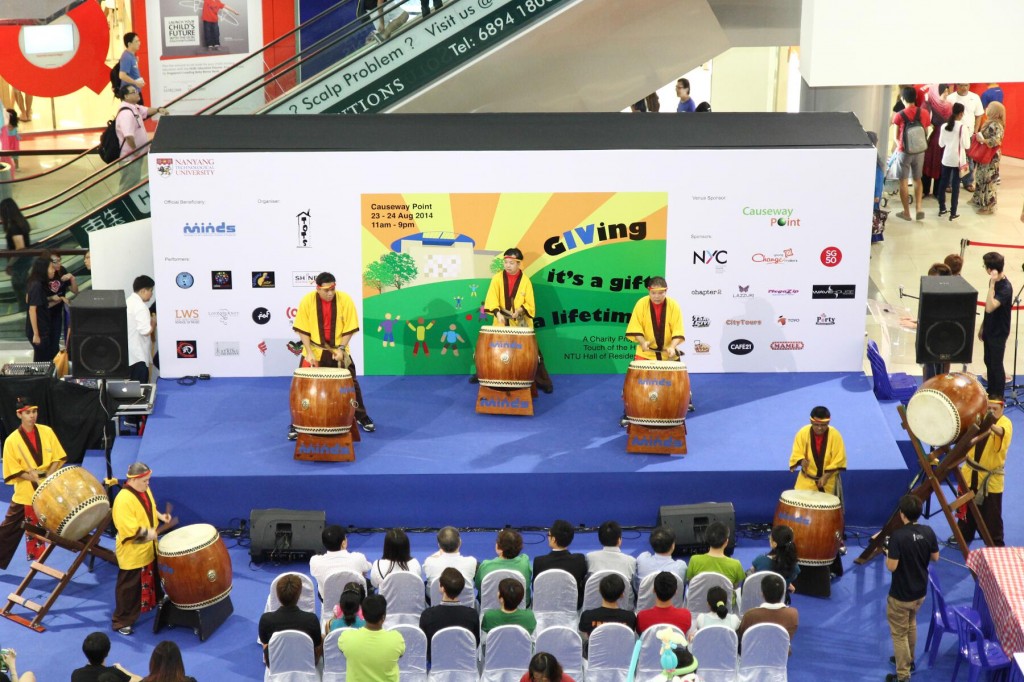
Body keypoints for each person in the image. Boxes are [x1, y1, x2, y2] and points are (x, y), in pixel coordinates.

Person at [290, 271, 375, 436]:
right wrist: (308, 352)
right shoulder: (308, 300)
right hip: (314, 350)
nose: (330, 294)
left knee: (351, 384)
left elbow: (350, 327)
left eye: (332, 289)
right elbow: (302, 329)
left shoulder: (345, 300)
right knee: (303, 386)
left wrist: (342, 349)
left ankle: (361, 416)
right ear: (318, 289)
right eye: (326, 290)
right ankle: (297, 423)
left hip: (338, 349)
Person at [0, 396, 66, 570]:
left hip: (49, 487)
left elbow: (58, 457)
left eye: (34, 411)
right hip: (26, 491)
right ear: (19, 414)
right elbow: (13, 470)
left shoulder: (47, 431)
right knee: (8, 529)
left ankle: (85, 547)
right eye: (27, 412)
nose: (32, 416)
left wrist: (46, 477)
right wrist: (34, 478)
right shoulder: (12, 441)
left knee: (66, 519)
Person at [111, 462, 172, 635]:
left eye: (148, 480)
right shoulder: (122, 500)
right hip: (133, 549)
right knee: (129, 586)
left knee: (154, 574)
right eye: (145, 481)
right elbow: (128, 529)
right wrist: (149, 533)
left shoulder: (144, 490)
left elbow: (151, 508)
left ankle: (157, 599)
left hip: (149, 546)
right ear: (134, 480)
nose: (148, 483)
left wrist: (161, 516)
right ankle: (122, 620)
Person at [482, 247, 553, 393]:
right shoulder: (497, 279)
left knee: (532, 353)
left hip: (520, 322)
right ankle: (483, 374)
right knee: (494, 351)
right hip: (501, 320)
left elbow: (530, 303)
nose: (508, 265)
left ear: (519, 263)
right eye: (506, 262)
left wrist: (520, 310)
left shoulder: (525, 281)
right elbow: (491, 298)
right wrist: (497, 312)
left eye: (511, 263)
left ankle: (543, 381)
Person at [885, 495, 939, 682]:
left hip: (901, 595)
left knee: (899, 634)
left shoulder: (898, 537)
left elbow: (891, 566)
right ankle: (910, 660)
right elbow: (935, 557)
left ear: (902, 514)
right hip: (919, 593)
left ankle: (903, 675)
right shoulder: (928, 531)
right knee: (911, 624)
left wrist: (887, 552)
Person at [622, 276, 686, 425]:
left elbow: (678, 329)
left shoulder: (674, 305)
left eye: (661, 293)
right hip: (646, 352)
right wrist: (643, 342)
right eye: (653, 293)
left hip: (668, 353)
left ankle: (677, 408)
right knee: (635, 384)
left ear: (666, 291)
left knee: (675, 385)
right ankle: (629, 411)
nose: (657, 296)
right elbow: (635, 327)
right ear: (649, 291)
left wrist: (672, 346)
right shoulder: (641, 304)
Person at [957, 398, 1011, 546]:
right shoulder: (979, 420)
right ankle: (964, 535)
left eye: (995, 409)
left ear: (1002, 408)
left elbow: (1001, 433)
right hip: (970, 471)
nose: (992, 412)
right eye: (990, 409)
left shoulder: (1005, 423)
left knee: (991, 513)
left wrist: (989, 423)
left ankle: (996, 542)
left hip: (990, 477)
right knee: (967, 507)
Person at [258, 573, 323, 666]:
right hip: (305, 662)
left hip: (276, 663)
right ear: (299, 594)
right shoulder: (311, 619)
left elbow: (264, 642)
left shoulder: (266, 619)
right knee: (323, 638)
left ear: (277, 594)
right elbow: (317, 643)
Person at [338, 595, 405, 682]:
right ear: (383, 617)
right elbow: (401, 654)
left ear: (363, 615)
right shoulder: (397, 639)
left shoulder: (346, 637)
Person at [115, 85, 168, 193]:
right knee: (128, 185)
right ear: (126, 96)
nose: (137, 93)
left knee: (133, 183)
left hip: (136, 155)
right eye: (133, 92)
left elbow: (147, 111)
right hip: (130, 157)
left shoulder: (135, 108)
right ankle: (121, 207)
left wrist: (158, 109)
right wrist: (135, 151)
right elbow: (128, 136)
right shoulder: (126, 113)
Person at [890, 86, 932, 222]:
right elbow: (925, 132)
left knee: (903, 181)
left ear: (903, 99)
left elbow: (896, 137)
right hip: (919, 151)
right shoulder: (924, 113)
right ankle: (919, 208)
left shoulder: (899, 115)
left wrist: (899, 146)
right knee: (917, 179)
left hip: (904, 151)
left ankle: (906, 213)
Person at [419, 567, 479, 661]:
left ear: (442, 588)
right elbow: (475, 643)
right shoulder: (472, 615)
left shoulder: (427, 615)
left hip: (436, 664)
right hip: (464, 663)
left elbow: (424, 644)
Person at [788, 405, 847, 496]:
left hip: (827, 481)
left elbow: (839, 459)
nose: (819, 428)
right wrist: (801, 460)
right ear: (811, 421)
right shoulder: (802, 433)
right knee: (802, 505)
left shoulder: (835, 435)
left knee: (826, 508)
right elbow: (797, 452)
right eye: (816, 424)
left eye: (823, 425)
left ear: (828, 422)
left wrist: (826, 476)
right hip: (806, 480)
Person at [737, 574, 798, 653]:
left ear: (762, 594)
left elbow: (742, 635)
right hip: (779, 655)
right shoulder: (793, 614)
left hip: (752, 654)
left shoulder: (751, 614)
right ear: (783, 593)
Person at [533, 519, 587, 608]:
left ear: (553, 539)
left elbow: (536, 588)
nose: (548, 537)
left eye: (548, 535)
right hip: (572, 607)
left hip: (546, 606)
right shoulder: (579, 560)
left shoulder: (539, 562)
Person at [309, 524, 371, 599]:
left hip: (328, 606)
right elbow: (367, 567)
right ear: (343, 543)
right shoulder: (358, 558)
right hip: (354, 603)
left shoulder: (315, 562)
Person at [980, 251, 1011, 397]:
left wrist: (992, 284)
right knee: (988, 360)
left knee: (996, 364)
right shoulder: (994, 283)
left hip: (999, 332)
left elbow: (990, 306)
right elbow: (987, 309)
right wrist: (983, 326)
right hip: (989, 328)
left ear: (990, 269)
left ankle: (998, 395)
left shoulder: (1005, 287)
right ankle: (990, 390)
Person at [946, 84, 985, 191]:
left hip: (969, 134)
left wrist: (975, 131)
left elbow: (979, 115)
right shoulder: (950, 98)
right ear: (957, 85)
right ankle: (949, 183)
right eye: (962, 85)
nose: (964, 88)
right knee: (952, 158)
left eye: (966, 85)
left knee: (969, 159)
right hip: (954, 134)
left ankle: (967, 182)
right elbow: (947, 115)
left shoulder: (975, 97)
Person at [476, 528, 532, 601]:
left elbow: (479, 586)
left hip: (490, 607)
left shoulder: (486, 566)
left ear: (498, 547)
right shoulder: (525, 561)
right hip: (522, 607)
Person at [970, 101, 1005, 214]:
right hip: (985, 154)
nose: (986, 109)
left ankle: (988, 206)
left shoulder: (996, 125)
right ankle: (977, 200)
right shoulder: (990, 122)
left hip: (991, 156)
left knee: (988, 180)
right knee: (980, 176)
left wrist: (983, 140)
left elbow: (996, 140)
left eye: (989, 107)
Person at [684, 521, 744, 587]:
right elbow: (736, 586)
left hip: (700, 597)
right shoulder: (735, 564)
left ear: (707, 539)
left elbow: (690, 582)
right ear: (726, 542)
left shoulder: (694, 560)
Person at [936, 102, 969, 221]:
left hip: (946, 158)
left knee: (943, 183)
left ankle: (942, 208)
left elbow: (941, 144)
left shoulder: (944, 126)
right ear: (961, 114)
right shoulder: (963, 127)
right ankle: (953, 212)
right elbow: (967, 145)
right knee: (956, 186)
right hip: (958, 160)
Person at [578, 573, 636, 638]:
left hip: (595, 648)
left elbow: (584, 639)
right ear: (622, 595)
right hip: (620, 648)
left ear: (600, 591)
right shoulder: (630, 618)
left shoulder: (587, 616)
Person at [25, 256, 59, 361]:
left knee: (42, 359)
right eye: (51, 268)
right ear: (43, 269)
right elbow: (32, 309)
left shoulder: (38, 283)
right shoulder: (36, 285)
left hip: (43, 328)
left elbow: (29, 300)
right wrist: (36, 334)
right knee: (42, 360)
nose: (54, 270)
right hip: (39, 331)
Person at [71, 631, 141, 682]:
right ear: (107, 653)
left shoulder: (76, 674)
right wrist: (122, 669)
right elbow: (141, 680)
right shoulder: (114, 673)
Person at [585, 520, 637, 588]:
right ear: (619, 540)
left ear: (600, 540)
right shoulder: (631, 561)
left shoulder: (589, 557)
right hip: (624, 598)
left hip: (596, 598)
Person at [749, 525, 800, 594]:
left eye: (770, 537)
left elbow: (751, 575)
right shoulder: (794, 567)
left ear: (775, 544)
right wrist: (786, 583)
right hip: (781, 599)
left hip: (760, 598)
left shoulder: (760, 560)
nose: (769, 537)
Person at [635, 525, 687, 592]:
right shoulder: (680, 566)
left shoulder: (642, 559)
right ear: (673, 545)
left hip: (643, 602)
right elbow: (684, 584)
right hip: (672, 602)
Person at [1, 198, 31, 311]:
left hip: (20, 267)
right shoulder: (21, 222)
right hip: (25, 263)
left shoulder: (14, 228)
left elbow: (20, 248)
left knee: (22, 295)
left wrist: (10, 264)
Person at [126, 275, 155, 383]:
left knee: (130, 391)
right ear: (143, 290)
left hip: (129, 355)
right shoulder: (140, 307)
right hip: (139, 356)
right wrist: (153, 322)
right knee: (140, 391)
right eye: (151, 290)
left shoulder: (128, 302)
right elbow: (145, 331)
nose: (151, 294)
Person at [118, 33, 146, 102]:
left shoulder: (132, 56)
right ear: (129, 44)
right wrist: (136, 83)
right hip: (130, 95)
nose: (139, 43)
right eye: (136, 41)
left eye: (139, 41)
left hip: (135, 92)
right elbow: (122, 75)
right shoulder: (126, 57)